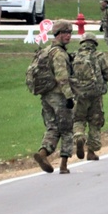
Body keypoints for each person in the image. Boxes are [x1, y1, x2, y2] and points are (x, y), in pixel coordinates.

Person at [32, 20, 75, 174]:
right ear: (57, 34)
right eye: (64, 33)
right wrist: (69, 97)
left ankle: (43, 153)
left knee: (52, 127)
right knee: (67, 130)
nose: (68, 36)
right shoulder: (59, 54)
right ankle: (63, 165)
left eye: (69, 33)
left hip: (46, 96)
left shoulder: (46, 51)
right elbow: (62, 77)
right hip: (59, 96)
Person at [70, 32, 108, 160]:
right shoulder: (99, 56)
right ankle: (91, 151)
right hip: (95, 94)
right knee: (95, 122)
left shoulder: (74, 57)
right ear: (94, 43)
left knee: (78, 119)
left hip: (78, 95)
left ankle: (79, 136)